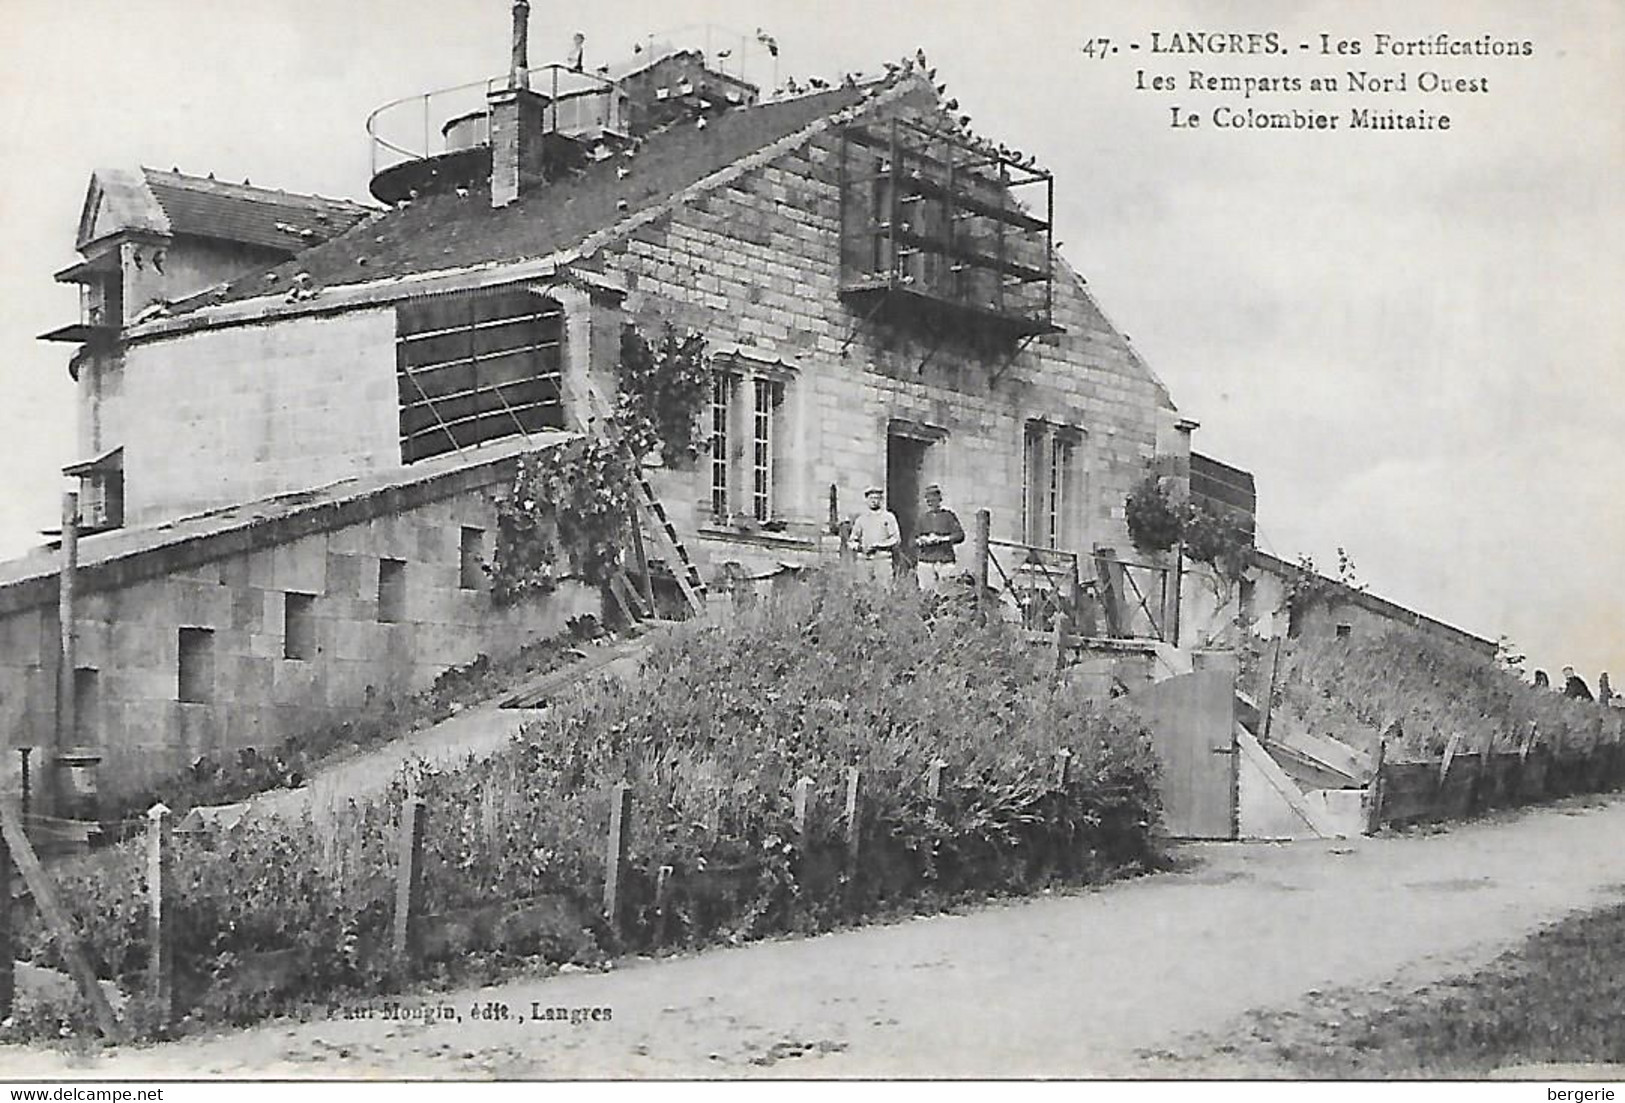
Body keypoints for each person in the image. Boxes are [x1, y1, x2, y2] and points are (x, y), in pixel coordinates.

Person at [913, 484, 965, 593]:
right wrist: (921, 540)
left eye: (934, 499)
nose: (932, 503)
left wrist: (943, 539)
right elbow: (912, 540)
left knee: (947, 591)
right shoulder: (923, 518)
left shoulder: (948, 516)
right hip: (926, 561)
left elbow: (960, 535)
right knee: (926, 593)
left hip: (945, 561)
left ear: (940, 500)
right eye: (929, 500)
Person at [849, 486, 899, 585]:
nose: (874, 501)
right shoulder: (861, 519)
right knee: (863, 589)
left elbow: (896, 539)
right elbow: (852, 540)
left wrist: (879, 545)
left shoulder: (888, 517)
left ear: (881, 500)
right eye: (871, 498)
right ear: (866, 500)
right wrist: (858, 547)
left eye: (877, 498)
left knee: (884, 588)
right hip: (864, 559)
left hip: (882, 559)